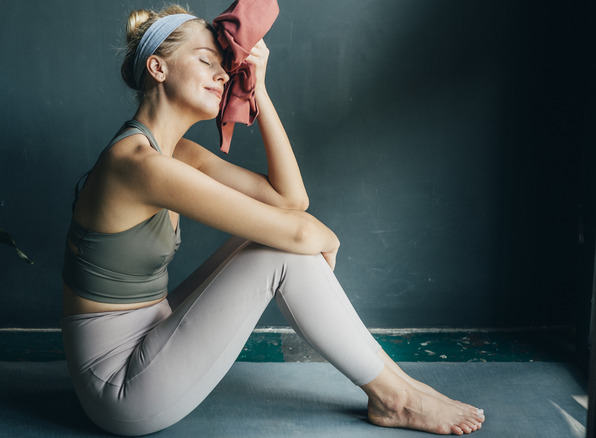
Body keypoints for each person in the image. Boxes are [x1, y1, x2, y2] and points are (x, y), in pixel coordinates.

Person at [61, 5, 485, 436]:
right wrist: (326, 239)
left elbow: (290, 200)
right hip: (118, 386)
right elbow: (299, 228)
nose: (223, 76)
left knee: (270, 243)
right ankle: (396, 398)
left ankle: (400, 386)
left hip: (154, 329)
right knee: (284, 252)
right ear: (158, 68)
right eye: (206, 61)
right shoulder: (138, 164)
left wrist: (259, 91)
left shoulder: (176, 153)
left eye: (224, 68)